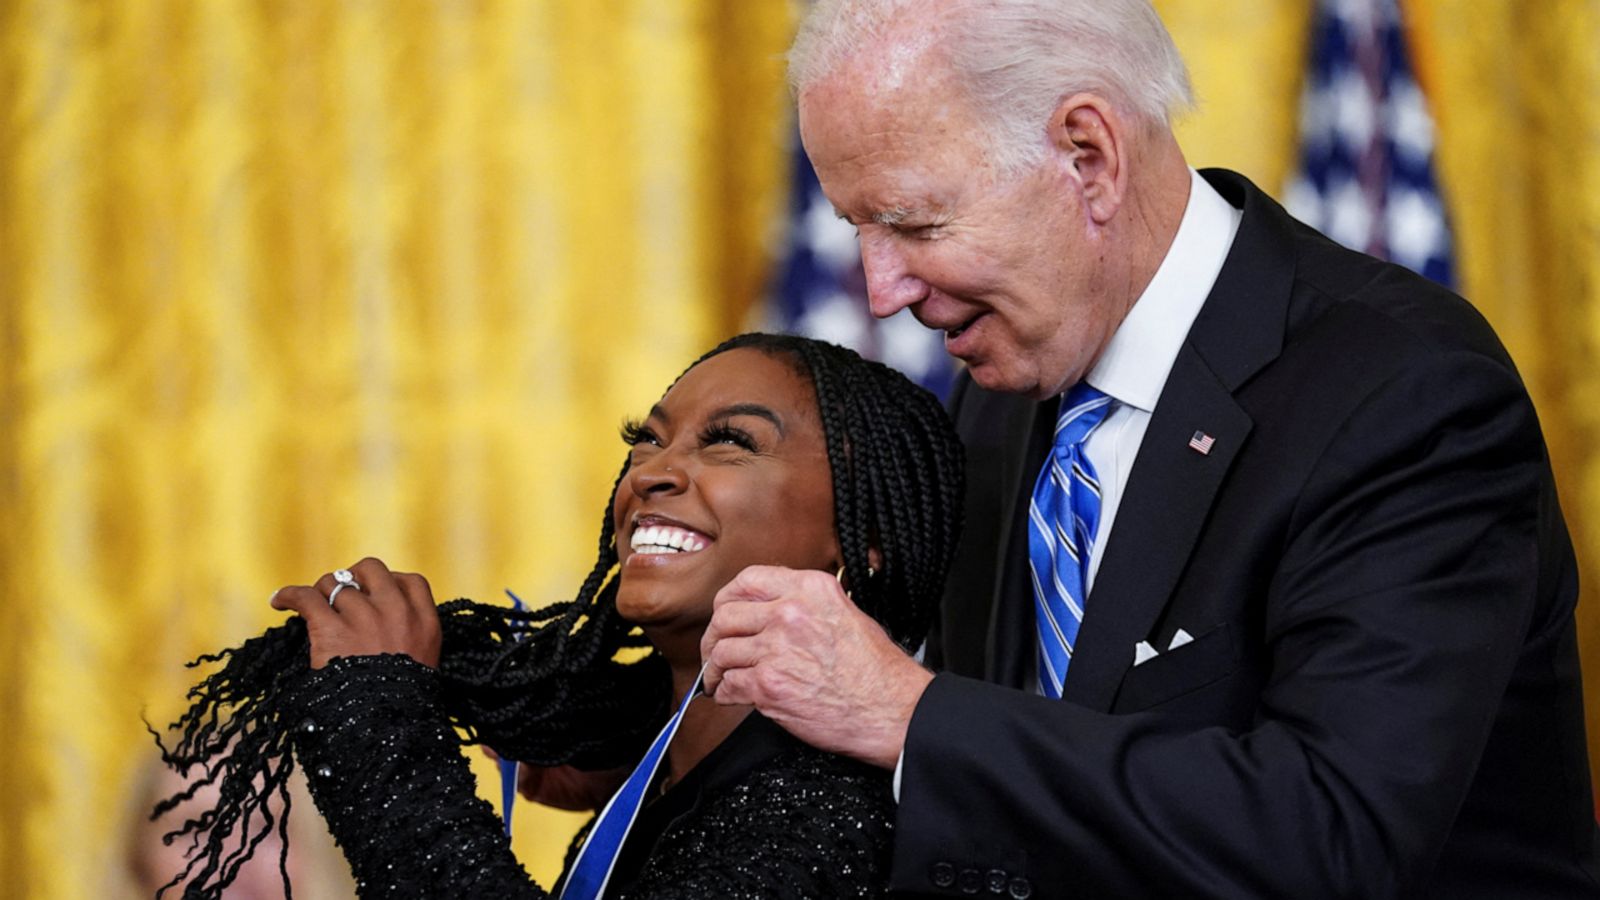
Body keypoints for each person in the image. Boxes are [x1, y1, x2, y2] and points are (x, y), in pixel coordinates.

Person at [698, 1, 1600, 897]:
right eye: (859, 229)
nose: (882, 290)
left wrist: (909, 713)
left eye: (915, 225)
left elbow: (1335, 838)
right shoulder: (1002, 395)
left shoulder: (1404, 393)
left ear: (1088, 157)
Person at [154, 333, 965, 898]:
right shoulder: (669, 773)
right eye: (644, 441)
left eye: (729, 444)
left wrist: (380, 725)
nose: (652, 472)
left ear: (863, 543)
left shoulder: (826, 808)